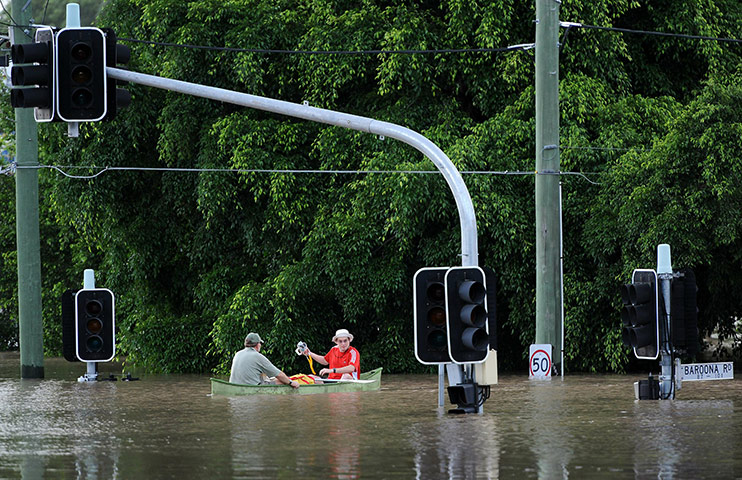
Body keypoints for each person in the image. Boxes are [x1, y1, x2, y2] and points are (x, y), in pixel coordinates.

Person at [229, 332, 299, 388]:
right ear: (257, 344)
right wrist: (291, 382)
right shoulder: (257, 356)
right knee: (282, 381)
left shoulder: (238, 353)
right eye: (260, 343)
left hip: (234, 386)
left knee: (267, 377)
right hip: (251, 388)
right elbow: (279, 374)